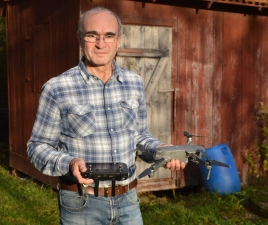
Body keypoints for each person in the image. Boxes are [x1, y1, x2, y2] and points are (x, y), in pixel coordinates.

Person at [27, 6, 186, 225]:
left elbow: (138, 137)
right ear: (80, 38)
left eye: (108, 36)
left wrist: (160, 150)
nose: (101, 44)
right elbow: (37, 147)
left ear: (118, 40)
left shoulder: (133, 83)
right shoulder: (57, 88)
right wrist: (69, 163)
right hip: (81, 203)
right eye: (92, 35)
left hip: (128, 201)